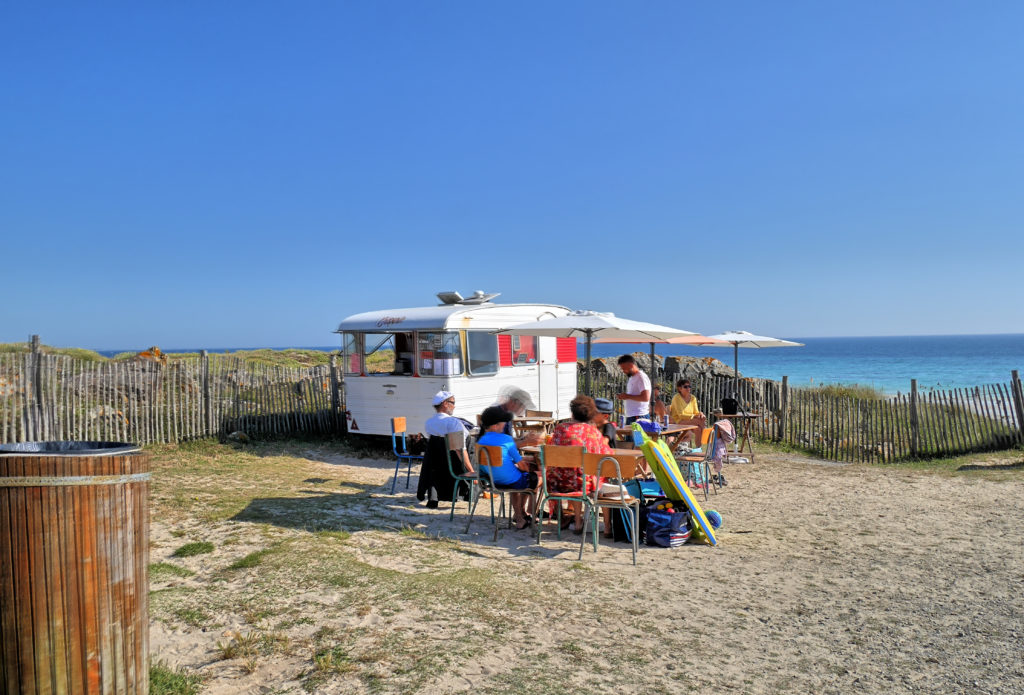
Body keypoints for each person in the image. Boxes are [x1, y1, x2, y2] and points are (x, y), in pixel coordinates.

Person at [547, 395, 613, 534]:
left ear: (572, 413)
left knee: (575, 474)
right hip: (583, 483)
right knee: (599, 480)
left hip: (557, 482)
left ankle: (577, 522)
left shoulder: (559, 429)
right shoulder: (592, 432)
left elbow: (550, 450)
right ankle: (607, 527)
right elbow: (606, 454)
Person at [476, 406, 539, 529]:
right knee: (537, 478)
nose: (505, 424)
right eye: (503, 422)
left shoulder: (481, 441)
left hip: (493, 481)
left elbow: (492, 464)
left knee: (520, 479)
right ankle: (526, 513)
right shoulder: (506, 439)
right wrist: (529, 467)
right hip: (511, 481)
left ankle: (519, 515)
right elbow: (523, 466)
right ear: (495, 425)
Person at [417, 390, 474, 509]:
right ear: (445, 404)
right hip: (453, 464)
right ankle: (468, 492)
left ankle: (433, 498)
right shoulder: (453, 423)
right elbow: (459, 449)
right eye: (452, 402)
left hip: (436, 464)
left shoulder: (429, 423)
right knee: (472, 450)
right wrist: (471, 470)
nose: (454, 405)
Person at [669, 379, 707, 448]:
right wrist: (695, 416)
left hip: (690, 421)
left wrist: (700, 414)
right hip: (678, 421)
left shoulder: (693, 398)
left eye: (689, 386)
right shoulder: (676, 398)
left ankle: (699, 448)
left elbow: (696, 412)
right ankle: (708, 437)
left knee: (698, 428)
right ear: (680, 388)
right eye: (685, 387)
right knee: (700, 421)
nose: (688, 388)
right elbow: (681, 415)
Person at [616, 355, 651, 424]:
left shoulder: (641, 377)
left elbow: (646, 397)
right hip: (633, 416)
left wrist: (627, 396)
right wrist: (625, 396)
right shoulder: (632, 378)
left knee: (637, 435)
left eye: (624, 368)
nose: (623, 371)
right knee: (629, 434)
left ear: (631, 365)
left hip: (639, 416)